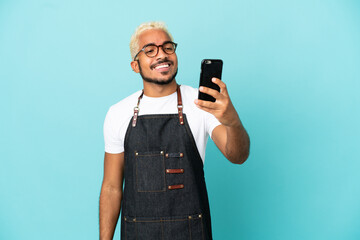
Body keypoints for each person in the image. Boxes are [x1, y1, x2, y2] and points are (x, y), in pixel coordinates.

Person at [99, 21, 250, 240]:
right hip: (137, 233)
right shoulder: (118, 113)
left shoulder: (201, 104)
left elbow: (238, 156)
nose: (161, 55)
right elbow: (112, 187)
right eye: (150, 50)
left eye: (168, 47)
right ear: (135, 65)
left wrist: (232, 121)